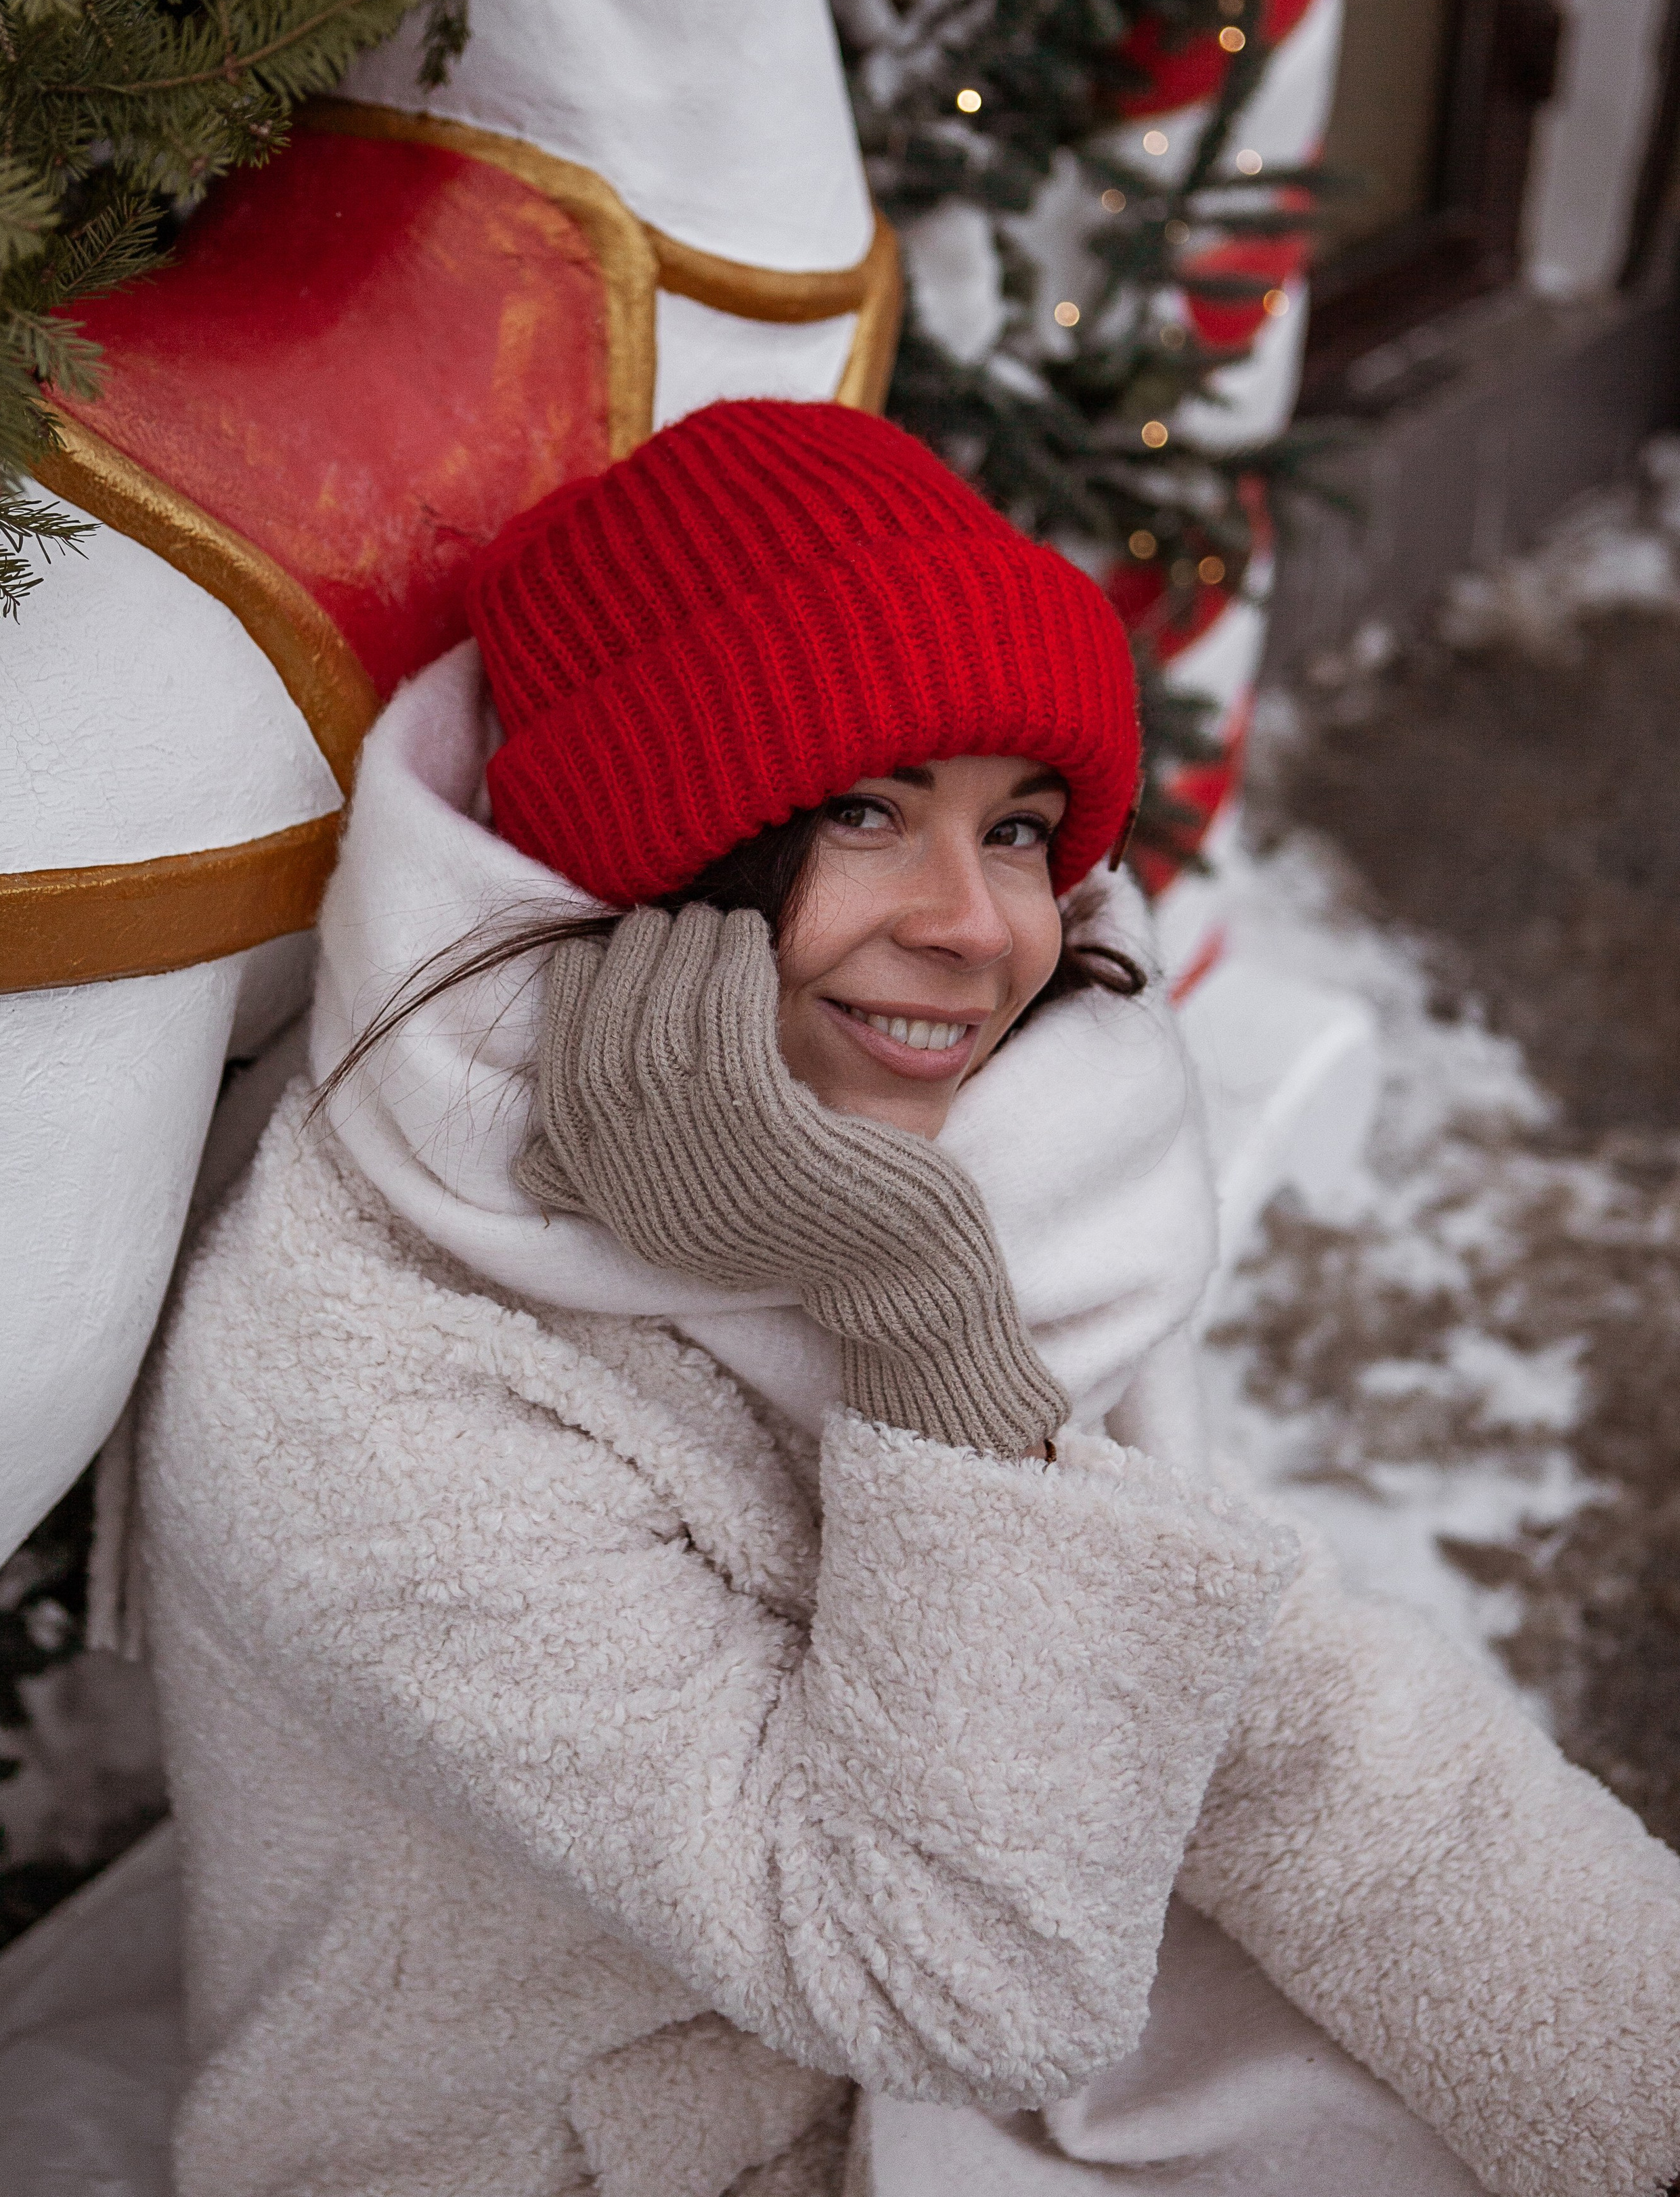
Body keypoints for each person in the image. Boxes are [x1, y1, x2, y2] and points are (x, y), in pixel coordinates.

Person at [135, 402, 1680, 2197]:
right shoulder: (363, 1375)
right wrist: (922, 1327)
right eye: (868, 809)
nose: (981, 928)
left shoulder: (1010, 1153)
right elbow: (963, 1986)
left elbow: (1290, 1731)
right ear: (648, 851)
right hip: (578, 2147)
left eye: (1019, 829)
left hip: (945, 1984)